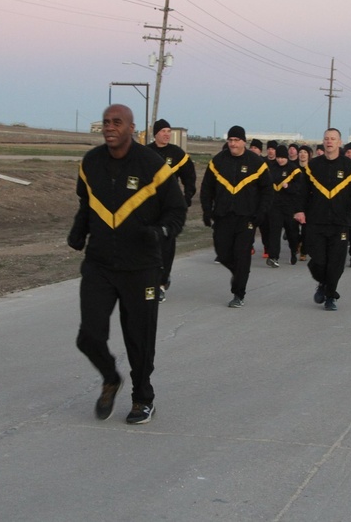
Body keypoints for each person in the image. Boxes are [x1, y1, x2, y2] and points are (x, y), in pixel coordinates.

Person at [68, 104, 186, 425]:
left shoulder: (152, 165)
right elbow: (86, 203)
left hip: (142, 266)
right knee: (88, 336)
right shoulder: (91, 163)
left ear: (132, 128)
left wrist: (159, 232)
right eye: (106, 122)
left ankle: (142, 399)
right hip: (100, 265)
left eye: (117, 122)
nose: (109, 127)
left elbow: (176, 211)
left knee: (139, 338)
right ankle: (110, 377)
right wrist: (79, 233)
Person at [294, 128, 351, 311]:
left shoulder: (350, 167)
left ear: (339, 143)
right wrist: (299, 210)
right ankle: (323, 283)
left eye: (333, 139)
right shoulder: (313, 166)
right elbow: (302, 191)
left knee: (336, 262)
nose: (329, 142)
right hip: (316, 221)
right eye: (326, 138)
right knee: (318, 262)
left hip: (340, 221)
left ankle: (330, 297)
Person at [199, 125, 273, 308]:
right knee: (223, 253)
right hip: (223, 216)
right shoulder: (218, 161)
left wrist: (261, 212)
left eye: (236, 140)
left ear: (244, 142)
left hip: (246, 218)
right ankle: (240, 272)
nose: (233, 143)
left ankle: (238, 293)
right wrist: (207, 211)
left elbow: (267, 190)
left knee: (242, 255)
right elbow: (206, 188)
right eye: (230, 140)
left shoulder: (256, 162)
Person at [147, 118, 197, 301]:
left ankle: (161, 283)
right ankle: (151, 280)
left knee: (167, 246)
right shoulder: (146, 152)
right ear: (156, 134)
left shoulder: (177, 154)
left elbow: (189, 177)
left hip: (169, 209)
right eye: (163, 131)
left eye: (169, 131)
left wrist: (187, 197)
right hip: (149, 207)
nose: (167, 134)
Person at [266, 144, 303, 266]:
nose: (280, 160)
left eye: (282, 158)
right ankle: (273, 257)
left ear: (286, 157)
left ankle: (293, 251)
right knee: (274, 232)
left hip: (289, 207)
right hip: (275, 206)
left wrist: (289, 187)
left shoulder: (294, 170)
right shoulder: (271, 168)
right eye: (278, 158)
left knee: (292, 232)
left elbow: (299, 189)